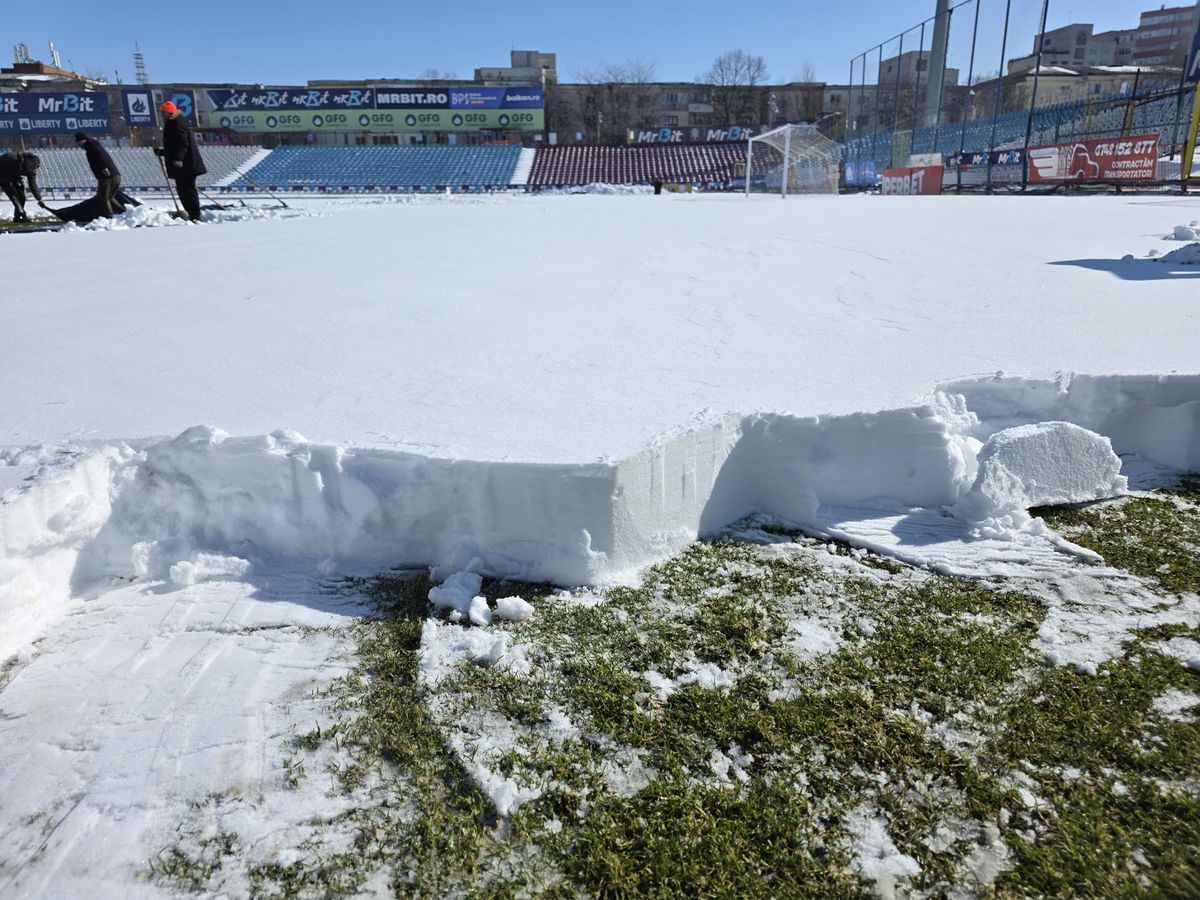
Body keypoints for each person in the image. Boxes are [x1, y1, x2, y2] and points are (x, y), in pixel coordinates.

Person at [155, 101, 207, 220]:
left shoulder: (176, 122)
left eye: (163, 112)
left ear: (168, 112)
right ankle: (192, 214)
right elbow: (174, 145)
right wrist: (162, 152)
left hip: (186, 166)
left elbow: (182, 143)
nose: (161, 115)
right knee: (184, 190)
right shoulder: (175, 121)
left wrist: (178, 159)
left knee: (187, 191)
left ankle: (195, 215)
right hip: (184, 165)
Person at [74, 132, 124, 217]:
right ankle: (124, 212)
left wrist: (104, 167)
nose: (78, 145)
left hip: (106, 176)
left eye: (79, 142)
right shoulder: (93, 145)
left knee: (102, 198)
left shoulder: (92, 146)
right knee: (110, 197)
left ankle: (109, 216)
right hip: (115, 175)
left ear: (83, 140)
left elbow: (101, 155)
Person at [0, 150, 46, 223]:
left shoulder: (32, 169)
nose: (31, 170)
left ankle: (17, 217)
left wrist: (39, 199)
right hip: (3, 175)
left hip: (15, 176)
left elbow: (33, 185)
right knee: (15, 198)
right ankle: (22, 215)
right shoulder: (12, 157)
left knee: (22, 197)